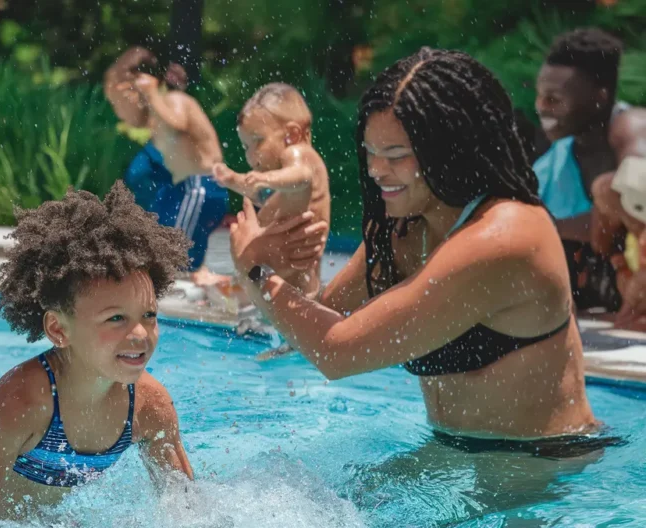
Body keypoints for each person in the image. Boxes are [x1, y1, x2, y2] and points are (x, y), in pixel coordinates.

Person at [231, 48, 606, 444]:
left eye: (394, 155)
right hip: (453, 454)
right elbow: (319, 319)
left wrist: (256, 273)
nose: (376, 171)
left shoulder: (504, 237)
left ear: (450, 151)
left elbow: (336, 353)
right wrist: (283, 269)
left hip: (543, 467)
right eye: (371, 153)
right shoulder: (408, 228)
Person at [0, 183, 194, 520]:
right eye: (115, 318)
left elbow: (189, 511)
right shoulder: (22, 400)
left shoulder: (149, 406)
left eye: (148, 316)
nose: (139, 334)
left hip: (38, 526)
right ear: (59, 329)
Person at [534, 28, 646, 312]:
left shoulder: (632, 127)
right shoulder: (549, 169)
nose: (541, 107)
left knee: (608, 188)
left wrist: (552, 227)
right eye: (539, 96)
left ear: (600, 97)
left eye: (554, 98)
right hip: (608, 306)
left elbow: (638, 192)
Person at [105, 48, 229, 285]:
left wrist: (150, 93)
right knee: (159, 251)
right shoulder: (156, 116)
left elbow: (178, 124)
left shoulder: (176, 101)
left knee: (172, 260)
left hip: (200, 187)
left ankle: (204, 290)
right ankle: (208, 283)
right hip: (183, 190)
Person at [212, 82, 331, 296]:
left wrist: (266, 178)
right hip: (290, 273)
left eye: (258, 141)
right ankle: (247, 296)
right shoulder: (283, 184)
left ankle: (244, 297)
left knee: (254, 282)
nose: (250, 155)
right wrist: (232, 179)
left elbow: (300, 175)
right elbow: (262, 195)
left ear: (292, 135)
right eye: (246, 146)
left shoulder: (299, 154)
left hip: (292, 269)